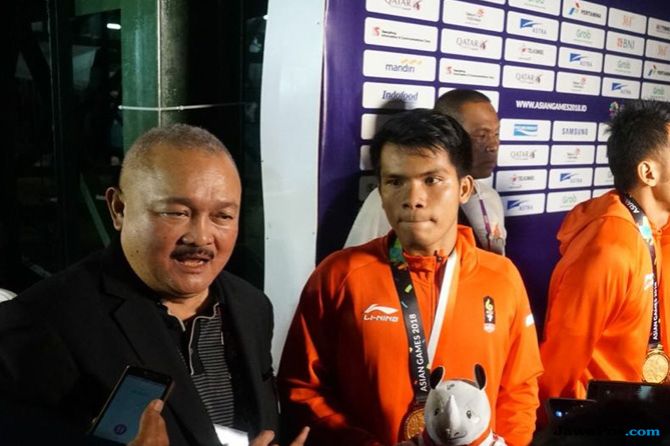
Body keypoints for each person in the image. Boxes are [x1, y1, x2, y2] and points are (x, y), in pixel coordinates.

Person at [0, 124, 306, 446]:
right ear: (118, 208)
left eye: (223, 216)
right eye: (176, 213)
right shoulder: (42, 321)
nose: (201, 237)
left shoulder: (252, 306)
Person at [278, 109, 542, 446]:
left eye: (432, 180)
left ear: (464, 188)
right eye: (395, 181)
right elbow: (302, 388)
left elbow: (519, 389)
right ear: (380, 189)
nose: (413, 199)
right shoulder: (339, 276)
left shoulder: (502, 278)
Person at [539, 101, 670, 411]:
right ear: (648, 172)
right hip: (609, 420)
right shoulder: (607, 249)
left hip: (654, 410)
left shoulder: (660, 230)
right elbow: (558, 369)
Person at [345, 89, 506, 255]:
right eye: (481, 135)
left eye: (496, 133)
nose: (493, 145)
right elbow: (359, 262)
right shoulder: (388, 201)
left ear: (465, 188)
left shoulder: (490, 198)